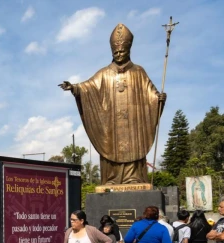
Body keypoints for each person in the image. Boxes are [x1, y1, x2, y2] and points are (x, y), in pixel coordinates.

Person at [59, 23, 166, 184]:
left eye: (122, 51)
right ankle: (111, 179)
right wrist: (74, 88)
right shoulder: (104, 73)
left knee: (134, 148)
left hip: (133, 125)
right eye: (115, 51)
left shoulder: (139, 72)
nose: (119, 54)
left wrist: (157, 99)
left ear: (129, 50)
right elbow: (89, 87)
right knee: (108, 146)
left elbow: (150, 92)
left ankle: (134, 178)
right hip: (111, 125)